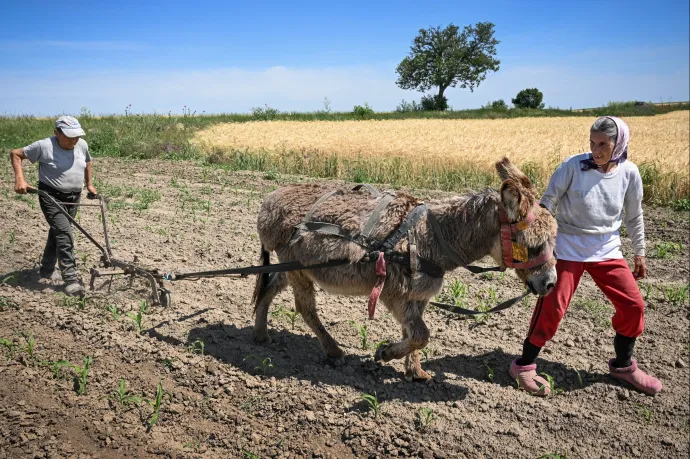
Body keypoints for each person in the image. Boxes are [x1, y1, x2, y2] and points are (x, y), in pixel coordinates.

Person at [509, 116, 662, 396]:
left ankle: (623, 366)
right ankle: (523, 365)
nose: (596, 149)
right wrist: (538, 241)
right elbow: (548, 203)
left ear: (620, 144)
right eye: (593, 142)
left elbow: (634, 216)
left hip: (607, 250)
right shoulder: (572, 166)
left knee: (633, 306)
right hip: (568, 246)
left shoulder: (629, 173)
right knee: (552, 307)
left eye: (603, 144)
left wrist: (639, 251)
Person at [10, 116, 97, 297]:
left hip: (74, 197)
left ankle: (47, 269)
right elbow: (16, 154)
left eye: (76, 137)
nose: (74, 140)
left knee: (57, 232)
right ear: (56, 133)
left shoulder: (82, 145)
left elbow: (87, 162)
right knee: (64, 233)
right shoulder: (44, 146)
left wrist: (89, 185)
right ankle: (71, 279)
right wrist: (20, 179)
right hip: (51, 196)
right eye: (69, 137)